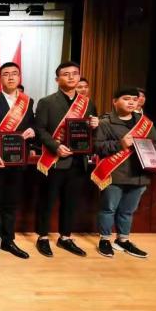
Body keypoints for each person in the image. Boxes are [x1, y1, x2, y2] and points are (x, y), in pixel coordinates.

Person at [34, 61, 98, 257]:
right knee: (48, 201)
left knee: (71, 202)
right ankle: (43, 237)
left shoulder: (87, 103)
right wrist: (56, 146)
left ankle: (65, 237)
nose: (71, 77)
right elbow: (40, 130)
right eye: (66, 74)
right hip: (54, 161)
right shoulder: (47, 102)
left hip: (78, 162)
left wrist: (96, 126)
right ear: (57, 79)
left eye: (75, 73)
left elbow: (91, 135)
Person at [92, 87, 156, 258]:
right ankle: (105, 240)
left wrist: (154, 157)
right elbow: (97, 146)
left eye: (134, 99)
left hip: (139, 175)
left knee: (128, 211)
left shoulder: (145, 123)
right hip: (115, 173)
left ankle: (123, 240)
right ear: (115, 101)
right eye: (126, 98)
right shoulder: (105, 122)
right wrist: (120, 144)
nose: (131, 102)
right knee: (108, 209)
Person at [0, 62, 35, 259]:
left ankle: (8, 241)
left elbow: (33, 126)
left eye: (14, 74)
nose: (11, 77)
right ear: (0, 79)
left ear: (19, 77)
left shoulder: (28, 102)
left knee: (11, 203)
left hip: (18, 161)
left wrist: (33, 131)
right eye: (6, 74)